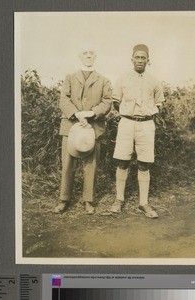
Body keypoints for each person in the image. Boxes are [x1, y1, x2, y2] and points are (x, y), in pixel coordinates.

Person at [54, 46, 112, 214]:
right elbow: (63, 99)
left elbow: (107, 102)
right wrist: (77, 114)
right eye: (85, 53)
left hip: (93, 127)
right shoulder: (70, 78)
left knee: (91, 164)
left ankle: (88, 200)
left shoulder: (103, 80)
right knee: (67, 163)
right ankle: (64, 199)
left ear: (95, 56)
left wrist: (90, 113)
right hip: (71, 125)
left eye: (91, 53)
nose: (88, 56)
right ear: (80, 56)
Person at [110, 44, 165, 218]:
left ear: (148, 60)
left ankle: (143, 203)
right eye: (137, 57)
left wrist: (146, 116)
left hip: (147, 124)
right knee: (123, 161)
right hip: (127, 122)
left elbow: (159, 103)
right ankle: (119, 199)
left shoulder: (154, 81)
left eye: (143, 58)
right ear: (132, 59)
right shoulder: (123, 79)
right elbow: (116, 101)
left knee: (144, 162)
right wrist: (128, 113)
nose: (140, 60)